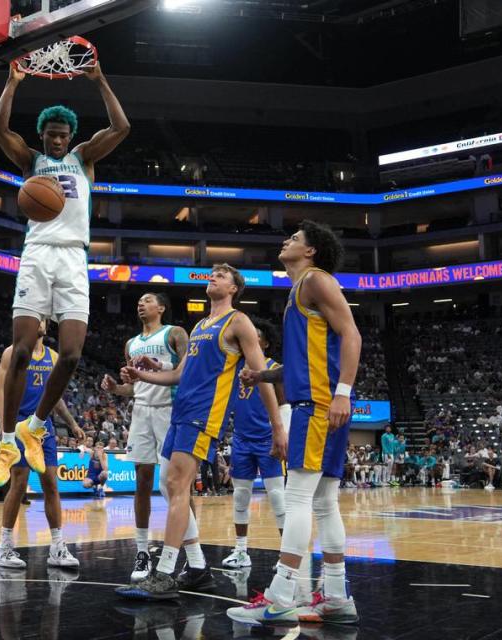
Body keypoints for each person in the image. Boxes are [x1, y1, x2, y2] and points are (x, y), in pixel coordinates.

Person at [0, 59, 130, 489]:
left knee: (70, 354)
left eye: (62, 135)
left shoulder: (83, 157)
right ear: (42, 135)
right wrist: (11, 84)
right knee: (23, 349)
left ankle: (36, 424)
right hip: (38, 253)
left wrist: (100, 79)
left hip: (73, 258)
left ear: (70, 136)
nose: (56, 140)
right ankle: (8, 440)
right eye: (50, 134)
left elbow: (121, 128)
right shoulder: (30, 160)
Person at [116, 264, 285, 600]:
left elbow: (260, 373)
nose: (213, 277)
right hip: (181, 412)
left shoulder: (238, 322)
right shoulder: (200, 325)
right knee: (168, 486)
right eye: (212, 274)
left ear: (234, 288)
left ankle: (163, 573)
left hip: (203, 416)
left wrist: (278, 425)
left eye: (222, 276)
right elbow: (180, 374)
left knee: (178, 485)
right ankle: (196, 567)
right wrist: (144, 376)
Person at [227, 220, 362, 625]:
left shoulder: (316, 281)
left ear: (311, 251)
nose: (287, 241)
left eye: (296, 239)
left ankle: (281, 595)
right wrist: (263, 375)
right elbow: (304, 362)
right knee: (323, 501)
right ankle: (337, 597)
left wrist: (343, 392)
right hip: (320, 400)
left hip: (319, 404)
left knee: (300, 497)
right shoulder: (299, 291)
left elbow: (352, 334)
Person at [101, 292, 188, 581]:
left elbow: (184, 372)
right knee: (142, 482)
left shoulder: (174, 334)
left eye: (148, 300)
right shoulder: (131, 344)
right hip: (141, 412)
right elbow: (133, 387)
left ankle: (190, 552)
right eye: (138, 300)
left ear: (161, 307)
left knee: (179, 483)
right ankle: (142, 552)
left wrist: (159, 365)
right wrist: (115, 388)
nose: (141, 303)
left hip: (169, 410)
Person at [0, 318, 86, 570]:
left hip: (43, 426)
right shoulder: (12, 352)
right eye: (38, 317)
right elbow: (0, 390)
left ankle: (57, 546)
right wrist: (6, 429)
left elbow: (55, 397)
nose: (42, 322)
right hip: (19, 423)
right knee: (19, 483)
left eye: (45, 318)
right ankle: (4, 546)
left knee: (51, 484)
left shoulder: (54, 357)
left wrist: (72, 423)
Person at [221, 319, 288, 571]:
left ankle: (286, 555)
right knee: (240, 496)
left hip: (267, 440)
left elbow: (284, 405)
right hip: (241, 440)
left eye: (256, 335)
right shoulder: (235, 367)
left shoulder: (273, 369)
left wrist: (283, 435)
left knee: (278, 498)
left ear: (266, 342)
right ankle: (240, 551)